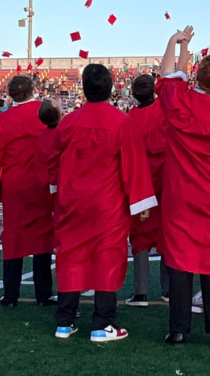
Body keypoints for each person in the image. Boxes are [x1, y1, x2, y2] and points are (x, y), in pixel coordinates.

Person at [50, 63, 156, 342]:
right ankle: (102, 323)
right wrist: (142, 204)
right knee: (107, 257)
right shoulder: (121, 122)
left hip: (71, 201)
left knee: (70, 257)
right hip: (107, 203)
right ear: (110, 87)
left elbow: (53, 162)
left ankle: (64, 321)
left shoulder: (68, 123)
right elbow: (134, 165)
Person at [155, 26, 210, 345]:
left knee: (180, 260)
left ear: (197, 78)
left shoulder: (180, 102)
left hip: (181, 194)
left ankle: (179, 329)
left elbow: (168, 76)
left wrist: (176, 43)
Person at [0, 73, 56, 308]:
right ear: (33, 89)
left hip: (14, 184)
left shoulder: (3, 121)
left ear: (9, 94)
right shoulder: (44, 112)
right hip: (41, 182)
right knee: (43, 236)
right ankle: (44, 294)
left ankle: (10, 295)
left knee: (13, 236)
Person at [121, 74, 171, 307]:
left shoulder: (130, 120)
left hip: (142, 183)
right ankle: (168, 289)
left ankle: (141, 292)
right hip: (167, 180)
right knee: (167, 234)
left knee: (140, 236)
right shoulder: (165, 110)